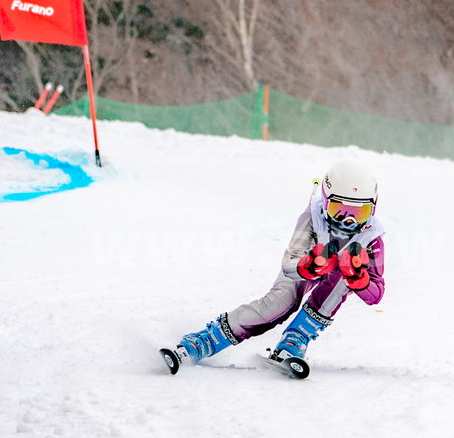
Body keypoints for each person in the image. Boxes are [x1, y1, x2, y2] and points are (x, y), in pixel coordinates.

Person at [161, 160, 385, 374]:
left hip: (335, 277)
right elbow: (289, 266)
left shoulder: (371, 237)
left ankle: (295, 339)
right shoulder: (313, 217)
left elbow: (375, 295)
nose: (349, 221)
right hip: (306, 265)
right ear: (325, 202)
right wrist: (309, 265)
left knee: (341, 281)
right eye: (340, 210)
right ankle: (203, 340)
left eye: (359, 213)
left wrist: (360, 281)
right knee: (279, 304)